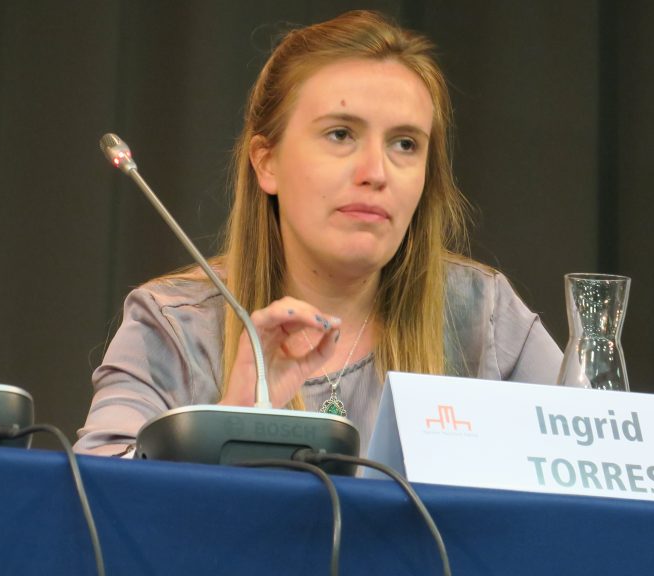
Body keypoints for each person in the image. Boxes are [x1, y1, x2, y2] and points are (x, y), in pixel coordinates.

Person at [75, 10, 565, 457]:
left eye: (405, 144)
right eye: (341, 134)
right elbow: (98, 500)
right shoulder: (173, 326)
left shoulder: (483, 316)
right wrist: (229, 423)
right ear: (267, 162)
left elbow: (596, 477)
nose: (376, 172)